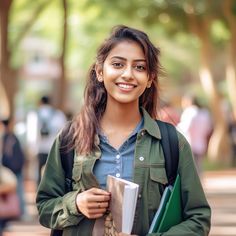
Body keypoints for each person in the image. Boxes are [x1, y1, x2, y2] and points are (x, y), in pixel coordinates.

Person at [36, 25, 211, 235]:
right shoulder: (70, 137)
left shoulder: (171, 142)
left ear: (150, 79)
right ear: (100, 72)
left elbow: (198, 218)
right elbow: (45, 207)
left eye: (139, 67)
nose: (128, 74)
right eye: (118, 64)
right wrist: (76, 203)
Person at [177, 95, 213, 174]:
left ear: (189, 101)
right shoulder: (205, 113)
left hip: (189, 144)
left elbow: (184, 128)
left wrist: (175, 128)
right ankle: (199, 184)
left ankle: (193, 185)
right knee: (198, 168)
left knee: (189, 169)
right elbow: (208, 128)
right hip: (201, 144)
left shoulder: (189, 111)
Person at [36, 95, 67, 185]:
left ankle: (39, 192)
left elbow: (32, 133)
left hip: (40, 148)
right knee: (53, 172)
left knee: (39, 172)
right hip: (53, 148)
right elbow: (64, 131)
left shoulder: (36, 114)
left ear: (41, 102)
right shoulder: (58, 114)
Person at [0, 118, 26, 217]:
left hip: (11, 168)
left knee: (17, 191)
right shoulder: (12, 137)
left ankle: (20, 212)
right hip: (15, 168)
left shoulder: (7, 137)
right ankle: (21, 212)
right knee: (19, 191)